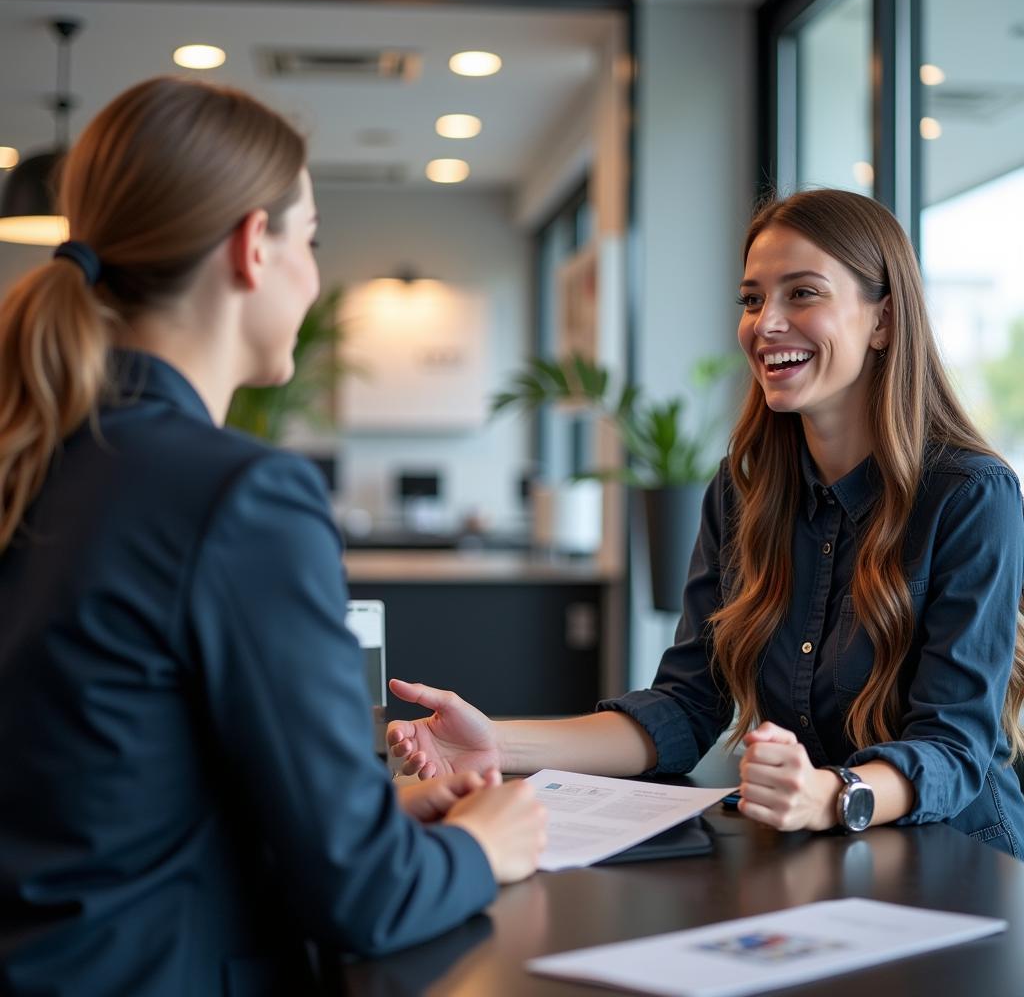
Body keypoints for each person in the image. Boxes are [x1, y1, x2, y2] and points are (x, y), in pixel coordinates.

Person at [0, 76, 545, 997]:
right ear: (256, 247)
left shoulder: (31, 455)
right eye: (313, 238)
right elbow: (364, 898)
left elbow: (114, 792)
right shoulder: (242, 496)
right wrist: (478, 847)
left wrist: (384, 813)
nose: (314, 272)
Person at [388, 187, 1024, 858]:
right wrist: (498, 742)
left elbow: (953, 746)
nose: (766, 323)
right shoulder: (742, 491)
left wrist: (834, 795)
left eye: (802, 294)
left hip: (963, 862)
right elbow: (687, 706)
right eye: (752, 300)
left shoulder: (970, 495)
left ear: (884, 320)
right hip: (820, 862)